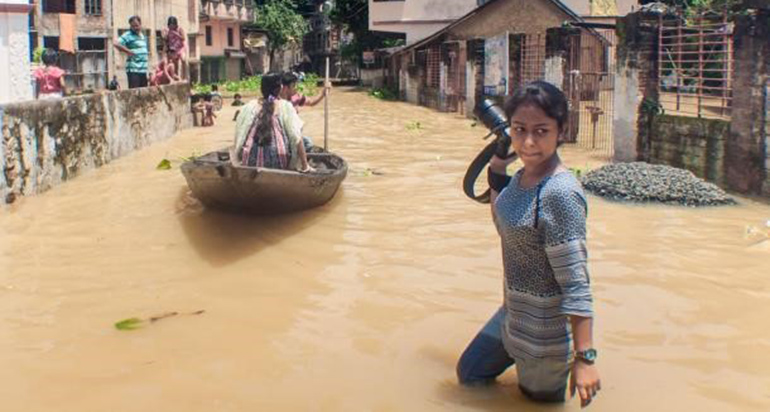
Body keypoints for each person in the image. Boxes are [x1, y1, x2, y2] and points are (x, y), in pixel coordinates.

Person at [456, 81, 601, 408]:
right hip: (512, 315)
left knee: (535, 406)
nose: (529, 141)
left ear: (561, 131)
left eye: (541, 130)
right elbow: (502, 221)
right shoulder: (522, 178)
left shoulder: (560, 194)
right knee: (470, 373)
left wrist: (586, 359)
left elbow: (577, 284)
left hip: (543, 336)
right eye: (519, 130)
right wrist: (496, 167)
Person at [240, 73, 313, 172]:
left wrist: (239, 156)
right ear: (280, 88)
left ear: (261, 89)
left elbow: (241, 133)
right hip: (278, 162)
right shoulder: (285, 106)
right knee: (307, 143)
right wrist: (305, 166)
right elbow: (296, 137)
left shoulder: (250, 106)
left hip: (249, 161)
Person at [280, 71, 329, 150]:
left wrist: (323, 94)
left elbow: (311, 102)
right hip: (281, 135)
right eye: (293, 86)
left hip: (293, 134)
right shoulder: (276, 101)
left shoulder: (296, 98)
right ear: (286, 88)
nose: (296, 88)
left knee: (308, 143)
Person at [114, 16, 149, 89]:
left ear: (140, 24)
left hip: (142, 70)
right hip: (134, 69)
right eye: (133, 26)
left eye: (136, 25)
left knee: (144, 93)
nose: (135, 28)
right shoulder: (128, 34)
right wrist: (128, 51)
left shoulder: (142, 35)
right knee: (135, 93)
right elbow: (116, 43)